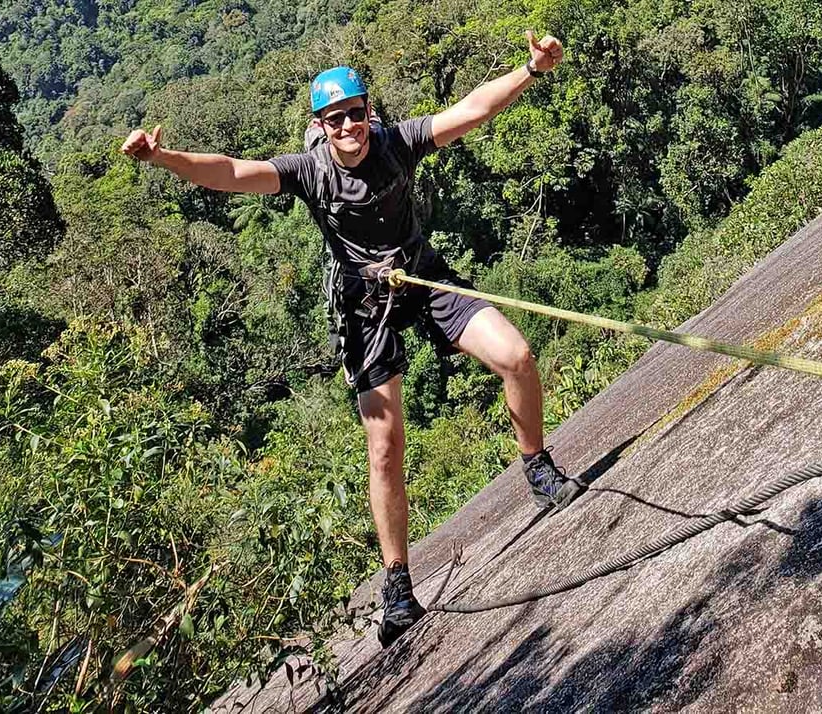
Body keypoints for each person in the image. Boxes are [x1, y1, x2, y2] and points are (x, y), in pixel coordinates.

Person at [121, 30, 579, 648]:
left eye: (355, 114)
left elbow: (472, 110)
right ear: (321, 125)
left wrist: (532, 69)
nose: (348, 129)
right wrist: (163, 157)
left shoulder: (395, 144)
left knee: (517, 357)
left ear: (370, 112)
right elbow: (231, 173)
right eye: (334, 120)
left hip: (418, 273)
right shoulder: (310, 172)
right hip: (363, 304)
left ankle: (537, 465)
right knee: (386, 444)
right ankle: (397, 584)